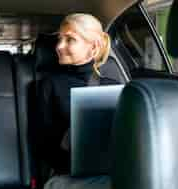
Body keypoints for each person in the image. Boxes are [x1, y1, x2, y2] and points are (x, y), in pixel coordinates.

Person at [36, 13, 119, 175]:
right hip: (66, 174)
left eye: (70, 39)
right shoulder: (50, 85)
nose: (59, 46)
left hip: (110, 172)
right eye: (59, 39)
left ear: (93, 47)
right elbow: (43, 144)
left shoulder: (114, 87)